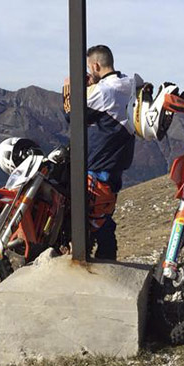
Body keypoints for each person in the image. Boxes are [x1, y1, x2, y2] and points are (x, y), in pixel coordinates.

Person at [62, 44, 136, 260]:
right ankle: (103, 258)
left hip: (98, 165)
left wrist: (68, 88)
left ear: (95, 65)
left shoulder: (104, 91)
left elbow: (72, 116)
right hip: (116, 162)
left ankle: (104, 262)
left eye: (89, 67)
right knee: (102, 214)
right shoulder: (128, 83)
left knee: (96, 220)